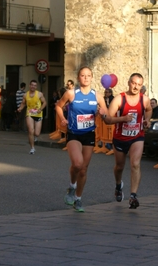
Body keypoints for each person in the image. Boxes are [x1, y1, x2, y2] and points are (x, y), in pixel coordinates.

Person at [55, 67, 108, 212]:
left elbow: (106, 114)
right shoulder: (71, 93)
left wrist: (102, 113)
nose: (85, 78)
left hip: (89, 134)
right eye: (83, 76)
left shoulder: (97, 96)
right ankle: (72, 187)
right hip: (73, 133)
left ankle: (78, 198)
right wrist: (63, 119)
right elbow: (59, 107)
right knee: (77, 164)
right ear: (78, 78)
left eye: (88, 76)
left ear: (92, 78)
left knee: (84, 169)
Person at [100, 73, 152, 209]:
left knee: (135, 164)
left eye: (139, 84)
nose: (136, 87)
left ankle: (133, 196)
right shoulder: (119, 99)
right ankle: (118, 185)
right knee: (119, 167)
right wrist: (122, 119)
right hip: (120, 137)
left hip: (137, 136)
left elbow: (149, 109)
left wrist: (147, 119)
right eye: (134, 83)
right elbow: (108, 119)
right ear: (129, 82)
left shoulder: (144, 99)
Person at [17, 80, 47, 154]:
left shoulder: (39, 94)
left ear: (36, 87)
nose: (33, 86)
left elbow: (44, 102)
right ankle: (32, 148)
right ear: (29, 86)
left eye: (34, 85)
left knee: (37, 133)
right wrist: (20, 108)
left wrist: (40, 109)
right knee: (30, 131)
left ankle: (35, 137)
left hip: (38, 114)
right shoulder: (25, 95)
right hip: (29, 114)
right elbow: (23, 103)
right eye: (32, 85)